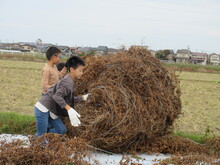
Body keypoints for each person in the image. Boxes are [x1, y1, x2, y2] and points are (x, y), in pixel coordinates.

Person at [34, 56, 90, 137]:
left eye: (82, 70)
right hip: (43, 109)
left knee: (61, 130)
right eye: (80, 70)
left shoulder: (69, 80)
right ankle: (39, 142)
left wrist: (82, 98)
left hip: (51, 110)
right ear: (71, 70)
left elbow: (67, 99)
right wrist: (69, 109)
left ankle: (45, 140)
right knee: (41, 135)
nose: (82, 73)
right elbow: (57, 97)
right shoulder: (67, 82)